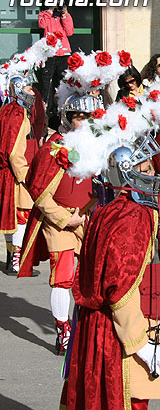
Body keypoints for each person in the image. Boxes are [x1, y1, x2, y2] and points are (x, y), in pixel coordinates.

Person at [60, 135, 160, 410]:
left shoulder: (109, 209)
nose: (152, 174)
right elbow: (120, 288)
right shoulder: (132, 216)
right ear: (128, 172)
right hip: (116, 332)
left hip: (98, 326)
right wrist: (139, 343)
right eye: (145, 169)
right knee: (127, 400)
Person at [18, 93, 103, 354]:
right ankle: (63, 330)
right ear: (67, 118)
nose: (82, 123)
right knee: (62, 278)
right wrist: (66, 219)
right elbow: (39, 190)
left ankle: (86, 327)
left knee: (92, 275)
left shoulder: (98, 145)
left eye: (87, 118)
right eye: (77, 117)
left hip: (88, 217)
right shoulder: (52, 148)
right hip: (59, 221)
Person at [0, 74, 42, 273]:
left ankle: (12, 259)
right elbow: (14, 149)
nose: (31, 92)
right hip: (15, 174)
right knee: (21, 216)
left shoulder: (8, 110)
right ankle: (16, 260)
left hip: (10, 172)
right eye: (26, 88)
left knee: (13, 215)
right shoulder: (16, 113)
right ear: (17, 90)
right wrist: (24, 174)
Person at [38, 0, 74, 111]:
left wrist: (64, 14)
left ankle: (61, 111)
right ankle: (45, 113)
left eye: (56, 0)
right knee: (46, 84)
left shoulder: (64, 15)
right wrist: (50, 10)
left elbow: (69, 32)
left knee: (63, 84)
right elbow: (42, 25)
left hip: (63, 54)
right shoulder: (44, 14)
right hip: (49, 54)